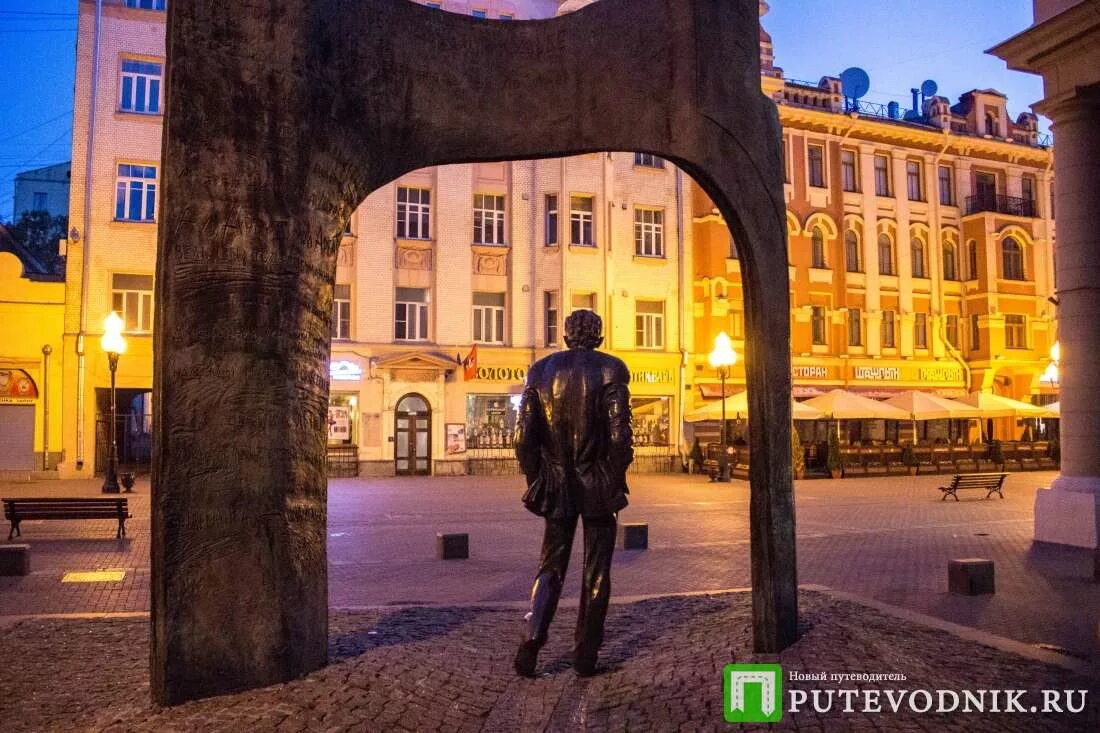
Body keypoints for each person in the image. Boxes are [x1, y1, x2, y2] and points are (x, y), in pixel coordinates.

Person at [512, 309, 634, 677]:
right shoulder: (611, 369)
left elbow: (522, 439)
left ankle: (532, 641)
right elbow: (619, 437)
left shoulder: (540, 371)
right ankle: (586, 655)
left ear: (565, 336)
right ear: (598, 336)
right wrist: (613, 478)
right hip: (598, 484)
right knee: (597, 570)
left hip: (558, 484)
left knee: (550, 567)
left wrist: (539, 478)